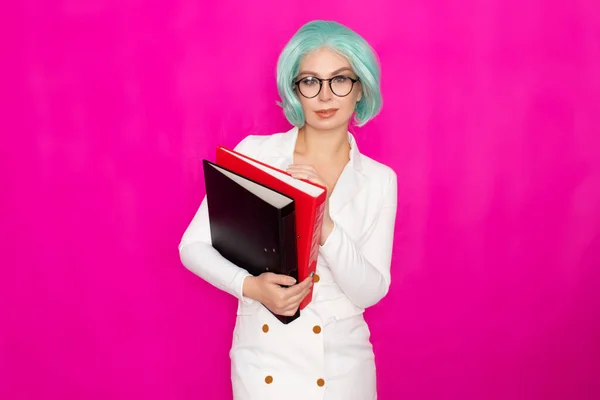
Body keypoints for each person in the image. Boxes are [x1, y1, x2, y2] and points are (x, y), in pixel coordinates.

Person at [178, 19, 398, 400]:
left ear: (360, 88)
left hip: (342, 367)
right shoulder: (256, 154)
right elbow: (192, 247)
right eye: (310, 81)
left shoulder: (379, 179)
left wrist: (324, 223)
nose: (325, 96)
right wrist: (251, 288)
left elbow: (370, 292)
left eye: (340, 80)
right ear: (295, 90)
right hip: (264, 360)